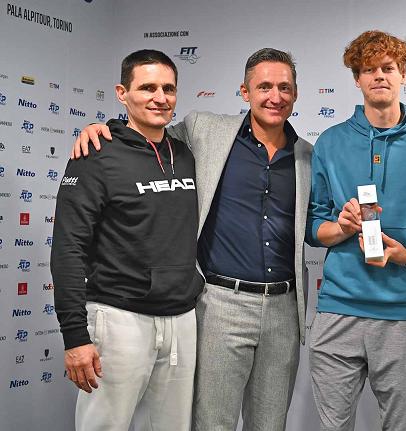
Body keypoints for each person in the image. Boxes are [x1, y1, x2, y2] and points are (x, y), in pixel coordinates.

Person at [71, 48, 312, 431]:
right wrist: (103, 128)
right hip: (218, 305)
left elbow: (313, 226)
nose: (275, 96)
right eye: (263, 86)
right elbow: (146, 129)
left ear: (296, 94)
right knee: (209, 423)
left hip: (283, 308)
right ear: (245, 91)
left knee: (271, 423)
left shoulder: (307, 156)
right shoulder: (205, 130)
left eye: (284, 87)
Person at [306, 30, 406, 431]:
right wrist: (340, 228)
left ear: (403, 74)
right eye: (369, 69)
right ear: (357, 78)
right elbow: (312, 227)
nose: (379, 76)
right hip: (339, 308)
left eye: (388, 68)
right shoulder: (330, 142)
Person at [52, 49, 202, 430]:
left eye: (168, 88)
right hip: (118, 319)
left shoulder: (185, 153)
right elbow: (68, 248)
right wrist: (75, 336)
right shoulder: (95, 154)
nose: (160, 97)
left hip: (182, 318)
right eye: (147, 87)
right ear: (122, 93)